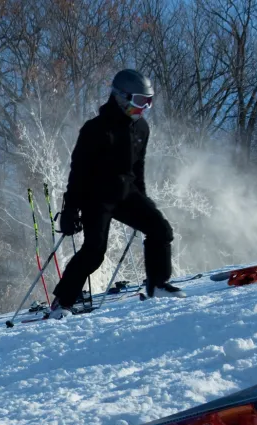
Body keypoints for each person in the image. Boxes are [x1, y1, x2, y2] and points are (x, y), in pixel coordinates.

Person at [50, 69, 183, 318]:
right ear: (121, 97)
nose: (144, 108)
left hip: (126, 194)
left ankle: (157, 284)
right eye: (140, 101)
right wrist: (70, 209)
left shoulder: (141, 128)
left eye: (149, 102)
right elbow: (78, 171)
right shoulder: (95, 129)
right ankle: (62, 302)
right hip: (96, 198)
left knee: (160, 229)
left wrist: (144, 200)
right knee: (94, 252)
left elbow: (137, 168)